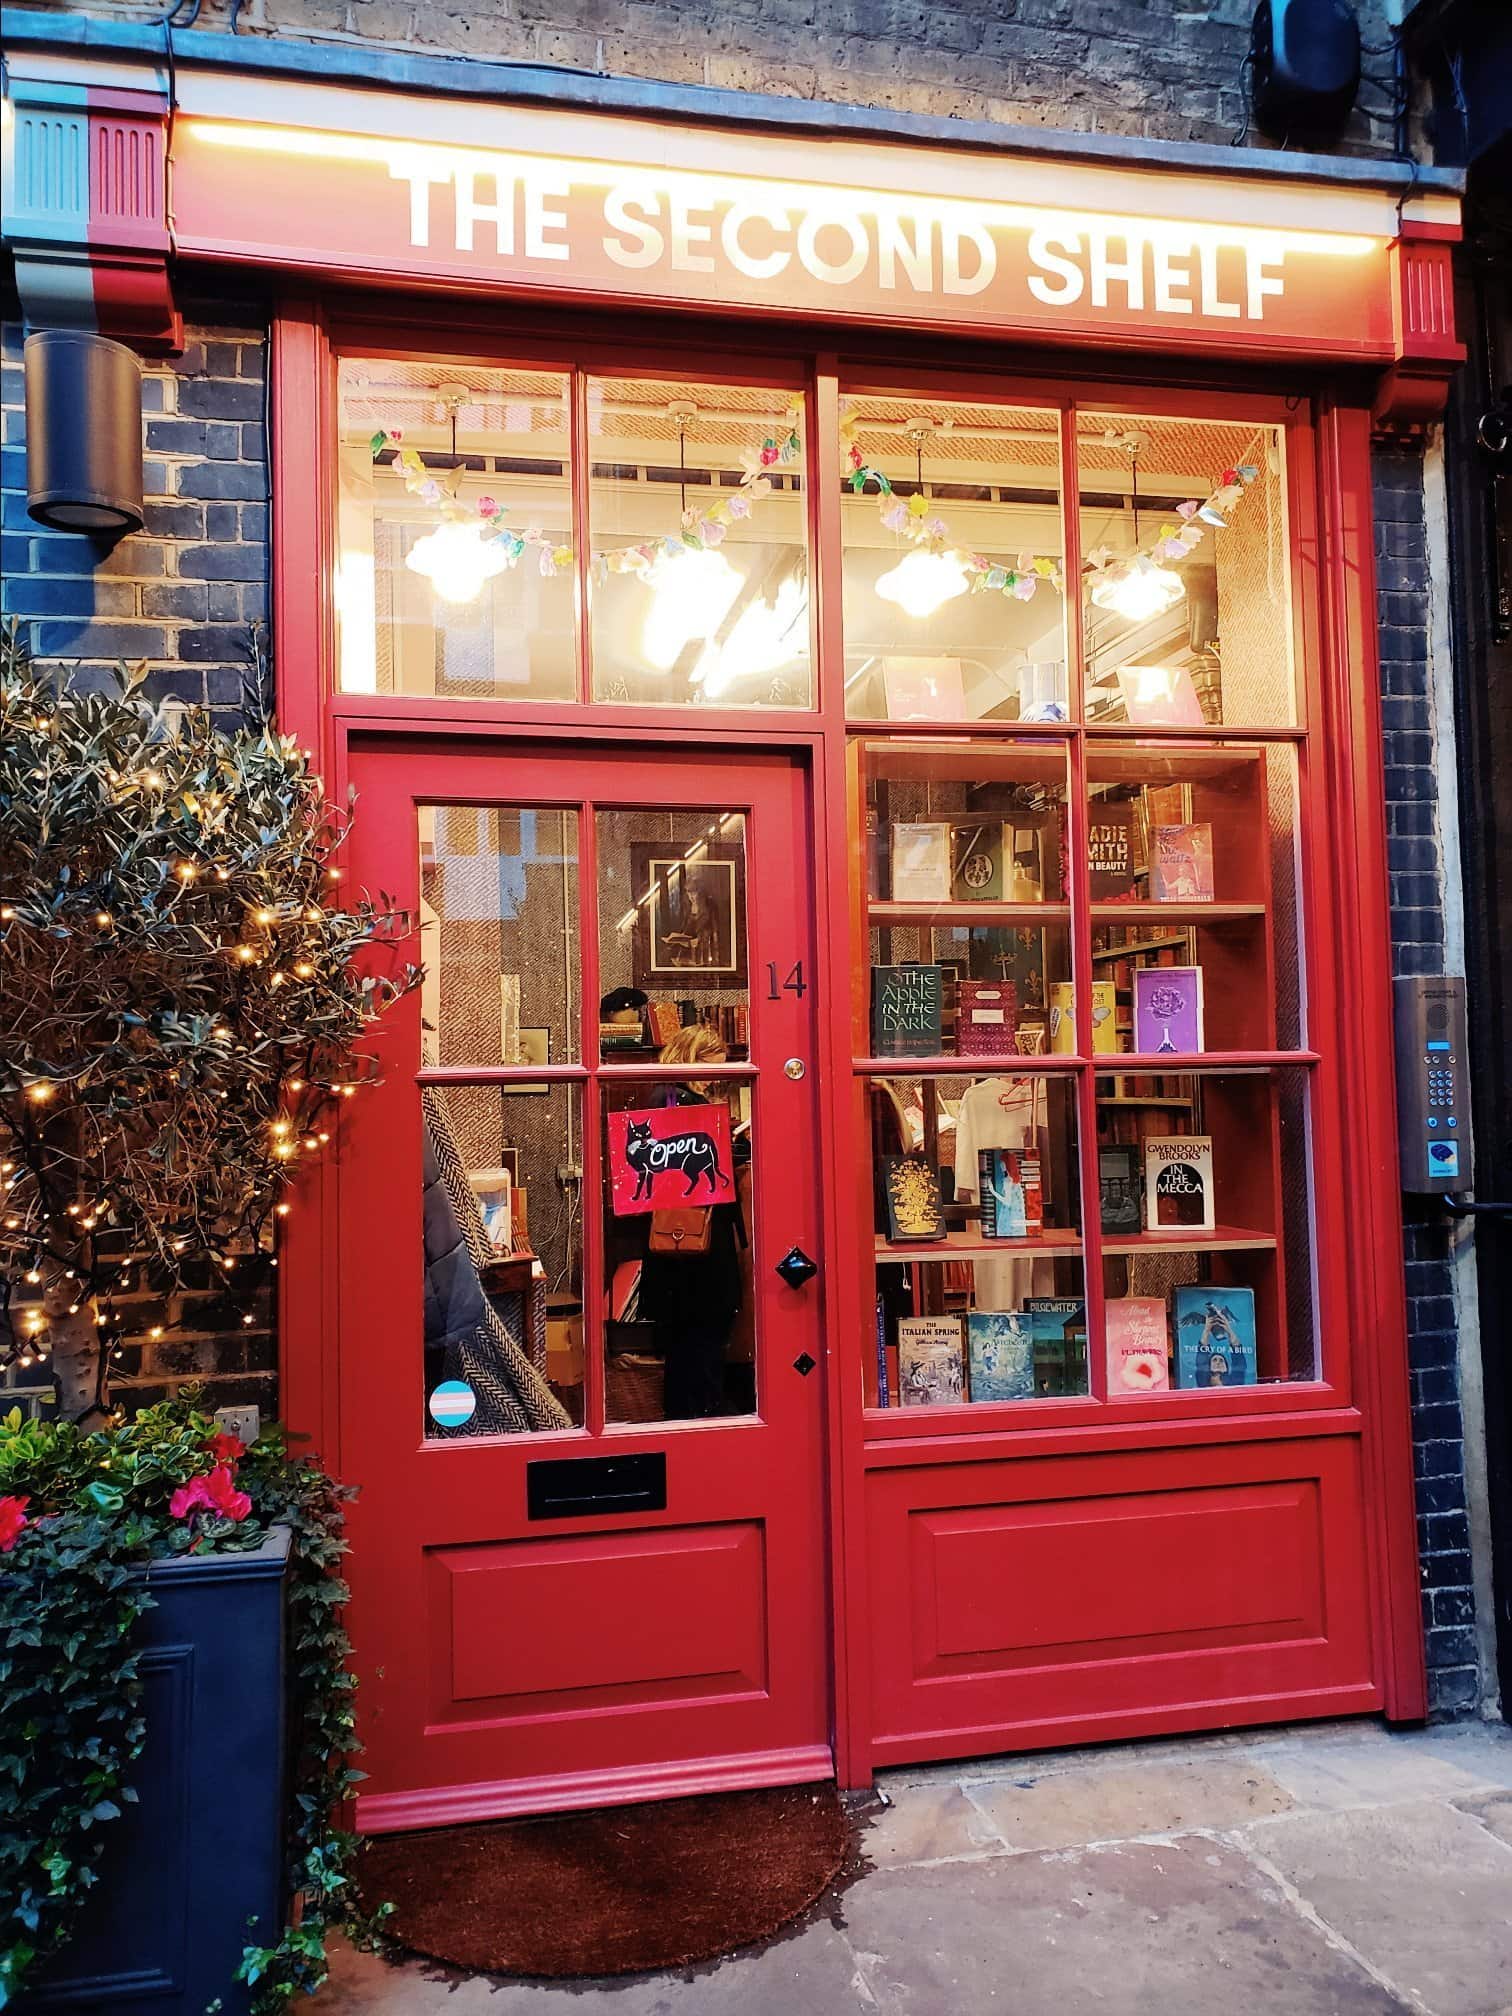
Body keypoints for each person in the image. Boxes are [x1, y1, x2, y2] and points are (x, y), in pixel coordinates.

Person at [636, 1024, 749, 1419]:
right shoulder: (672, 1097)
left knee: (692, 1350)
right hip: (690, 1248)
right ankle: (697, 1425)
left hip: (684, 1249)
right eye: (708, 1068)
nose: (713, 1077)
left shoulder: (670, 1094)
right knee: (698, 1350)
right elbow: (680, 1160)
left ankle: (692, 1422)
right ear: (688, 1057)